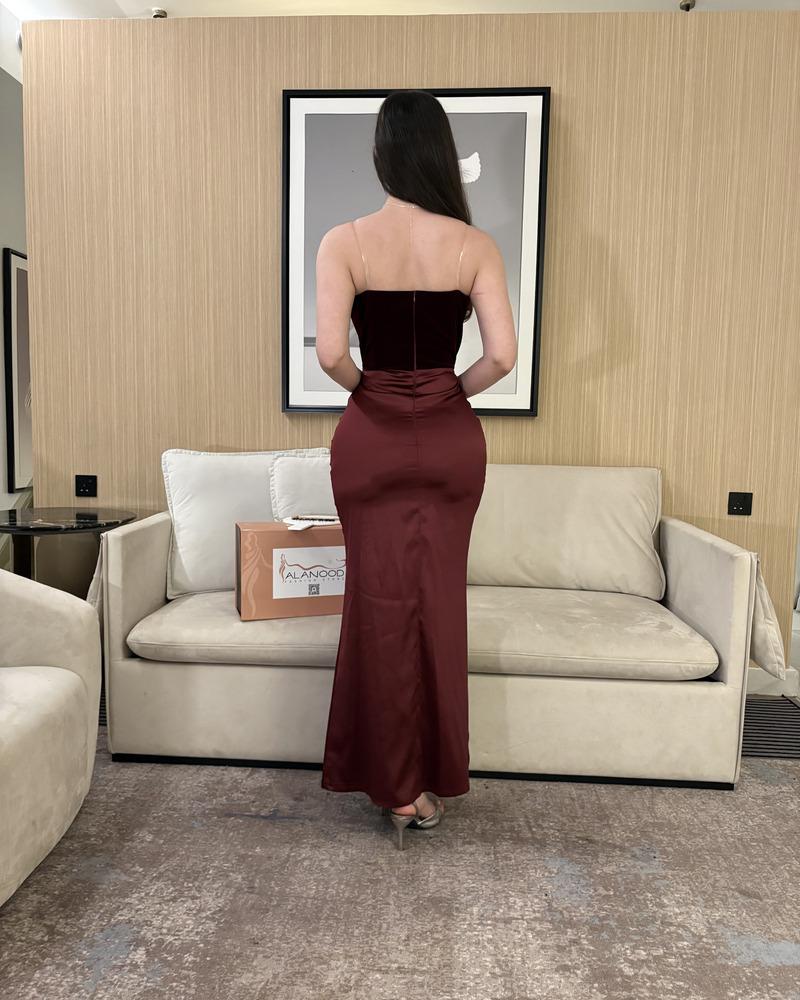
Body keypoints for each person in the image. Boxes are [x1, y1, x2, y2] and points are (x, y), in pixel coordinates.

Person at [315, 89, 517, 850]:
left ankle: (395, 785)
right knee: (437, 603)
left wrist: (372, 392)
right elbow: (502, 357)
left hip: (369, 439)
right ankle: (427, 776)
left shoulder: (344, 241)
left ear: (381, 156)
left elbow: (331, 354)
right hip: (449, 438)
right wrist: (446, 393)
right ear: (438, 153)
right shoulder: (473, 245)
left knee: (377, 604)